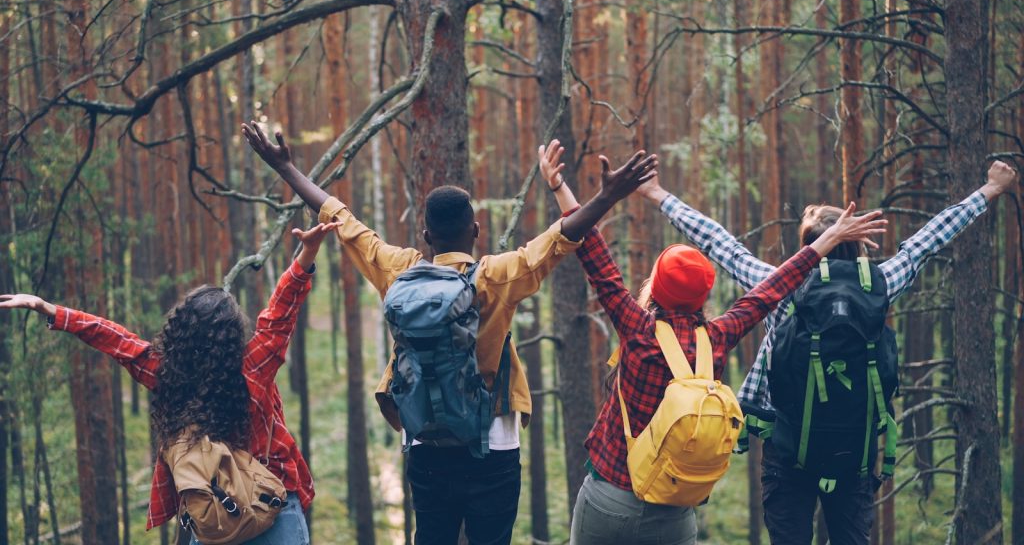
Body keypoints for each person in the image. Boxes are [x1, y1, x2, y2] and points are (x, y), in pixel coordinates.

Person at [241, 121, 658, 545]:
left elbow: (340, 218)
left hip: (424, 439)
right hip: (493, 444)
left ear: (426, 235)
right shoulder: (496, 276)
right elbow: (560, 238)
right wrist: (607, 195)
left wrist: (287, 170)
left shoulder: (398, 269)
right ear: (474, 230)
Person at [633, 160, 1018, 544]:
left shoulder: (781, 285)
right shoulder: (880, 285)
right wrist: (989, 190)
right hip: (853, 458)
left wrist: (658, 194)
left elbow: (720, 244)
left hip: (787, 453)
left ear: (808, 246)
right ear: (856, 242)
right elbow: (927, 242)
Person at [538, 143, 887, 545]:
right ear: (703, 296)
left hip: (609, 496)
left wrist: (560, 186)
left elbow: (595, 255)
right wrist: (824, 244)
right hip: (674, 511)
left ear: (656, 286)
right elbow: (775, 288)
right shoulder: (718, 338)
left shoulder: (637, 329)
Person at [0, 222, 339, 545]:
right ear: (232, 336)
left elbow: (117, 340)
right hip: (273, 505)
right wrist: (307, 253)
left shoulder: (168, 376)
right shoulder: (253, 369)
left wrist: (54, 312)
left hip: (215, 513)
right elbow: (279, 316)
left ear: (181, 332)